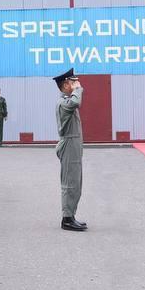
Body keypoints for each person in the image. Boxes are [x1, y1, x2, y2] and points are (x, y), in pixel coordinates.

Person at [53, 69, 86, 231]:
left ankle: (71, 215)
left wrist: (76, 89)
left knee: (75, 182)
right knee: (69, 183)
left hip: (74, 144)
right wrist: (78, 89)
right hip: (69, 144)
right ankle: (66, 219)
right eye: (73, 82)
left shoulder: (67, 101)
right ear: (65, 85)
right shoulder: (64, 103)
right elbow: (75, 102)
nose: (77, 84)